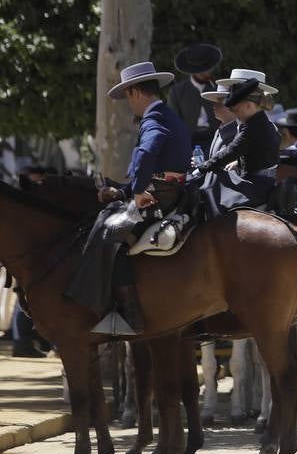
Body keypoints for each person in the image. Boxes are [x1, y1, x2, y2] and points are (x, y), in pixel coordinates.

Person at [67, 62, 192, 336]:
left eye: (127, 97)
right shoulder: (167, 114)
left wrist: (135, 192)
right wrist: (123, 191)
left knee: (110, 230)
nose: (128, 104)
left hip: (160, 196)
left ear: (135, 92)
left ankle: (128, 314)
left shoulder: (154, 119)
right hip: (168, 190)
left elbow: (148, 154)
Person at [191, 77, 281, 211]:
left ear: (249, 105)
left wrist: (202, 168)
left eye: (237, 110)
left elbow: (231, 150)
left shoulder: (253, 127)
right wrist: (238, 162)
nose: (236, 115)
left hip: (258, 183)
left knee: (218, 199)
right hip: (258, 179)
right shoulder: (260, 123)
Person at [166, 42, 222, 148]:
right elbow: (174, 122)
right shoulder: (177, 91)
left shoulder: (218, 88)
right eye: (205, 70)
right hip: (188, 142)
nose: (209, 72)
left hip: (215, 139)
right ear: (195, 71)